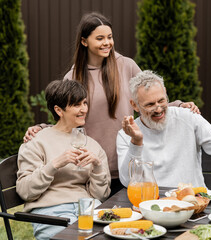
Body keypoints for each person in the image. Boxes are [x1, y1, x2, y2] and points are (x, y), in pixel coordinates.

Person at [23, 12, 199, 196]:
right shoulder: (73, 76)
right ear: (84, 41)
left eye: (109, 37)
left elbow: (149, 100)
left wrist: (178, 105)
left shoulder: (127, 66)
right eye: (100, 38)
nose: (107, 43)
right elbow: (67, 120)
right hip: (94, 168)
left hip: (127, 162)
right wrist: (42, 128)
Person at [16, 80, 111, 240]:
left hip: (88, 209)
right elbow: (25, 191)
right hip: (51, 212)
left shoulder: (93, 146)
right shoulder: (36, 141)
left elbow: (101, 195)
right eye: (76, 105)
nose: (83, 109)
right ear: (59, 110)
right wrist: (55, 164)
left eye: (85, 103)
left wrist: (97, 166)